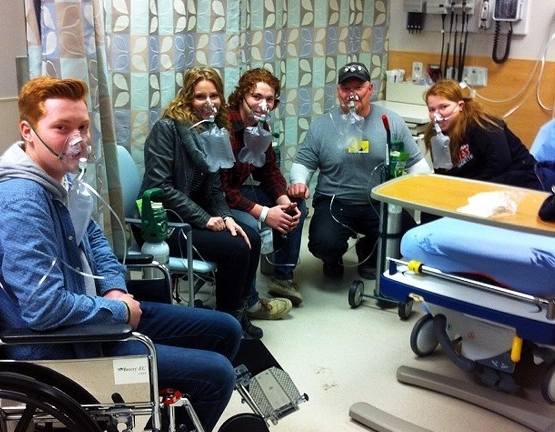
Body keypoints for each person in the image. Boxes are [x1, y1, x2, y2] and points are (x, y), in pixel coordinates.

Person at [0, 75, 242, 432]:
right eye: (61, 128)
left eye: (83, 126)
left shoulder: (59, 178)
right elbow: (41, 310)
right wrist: (119, 313)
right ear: (27, 130)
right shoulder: (20, 200)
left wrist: (115, 290)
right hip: (57, 346)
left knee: (226, 330)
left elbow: (95, 239)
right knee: (217, 373)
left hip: (92, 316)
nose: (76, 139)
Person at [138, 66, 265, 339]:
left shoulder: (214, 130)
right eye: (200, 96)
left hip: (193, 217)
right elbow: (159, 187)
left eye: (214, 95)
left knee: (251, 238)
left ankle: (238, 314)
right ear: (187, 99)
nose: (209, 103)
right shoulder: (168, 129)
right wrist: (205, 219)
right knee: (236, 249)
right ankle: (227, 325)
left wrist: (226, 215)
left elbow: (215, 187)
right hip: (164, 224)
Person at [288, 62, 431, 280]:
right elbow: (303, 163)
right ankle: (332, 257)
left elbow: (417, 164)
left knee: (409, 238)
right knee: (323, 244)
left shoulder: (390, 122)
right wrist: (299, 181)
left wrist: (419, 187)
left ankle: (369, 250)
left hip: (378, 202)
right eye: (346, 89)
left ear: (370, 89)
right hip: (335, 201)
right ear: (338, 92)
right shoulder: (323, 125)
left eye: (358, 88)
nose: (352, 94)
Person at [221, 68, 305, 308]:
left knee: (295, 205)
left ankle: (283, 277)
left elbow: (269, 170)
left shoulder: (261, 129)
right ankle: (249, 301)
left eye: (269, 99)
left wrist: (282, 200)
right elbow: (222, 190)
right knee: (249, 226)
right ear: (241, 97)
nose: (263, 105)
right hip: (218, 202)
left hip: (236, 193)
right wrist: (265, 213)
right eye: (257, 97)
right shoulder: (224, 129)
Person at [424, 79, 542, 189]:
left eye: (443, 107)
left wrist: (467, 188)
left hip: (519, 179)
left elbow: (500, 164)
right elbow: (443, 174)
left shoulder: (481, 124)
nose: (437, 115)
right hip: (476, 184)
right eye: (432, 110)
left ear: (460, 106)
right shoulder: (435, 136)